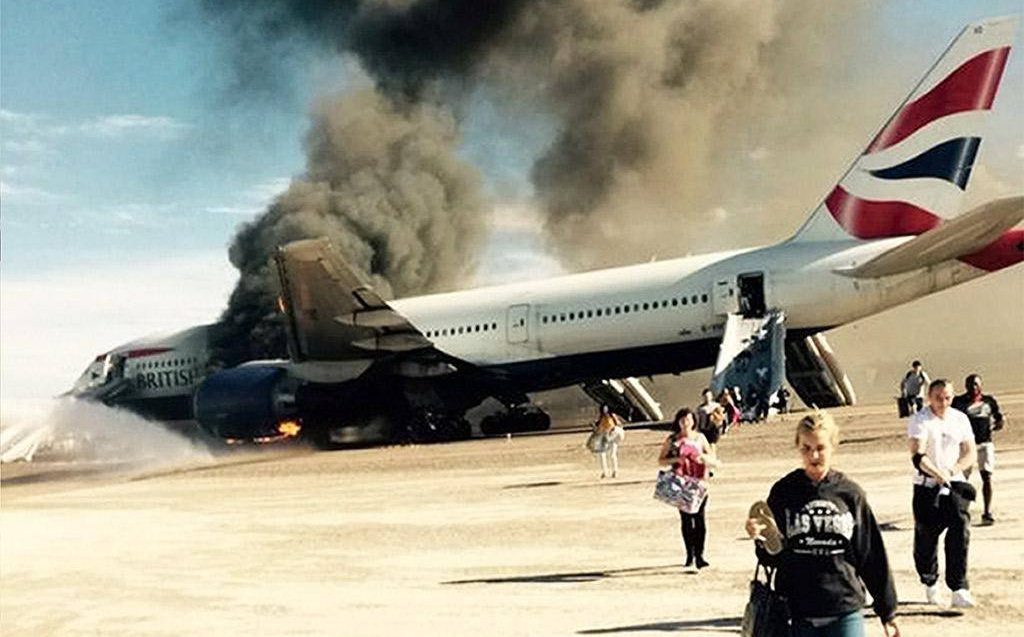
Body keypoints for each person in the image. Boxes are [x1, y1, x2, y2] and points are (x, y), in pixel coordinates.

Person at [745, 412, 900, 637]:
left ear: (833, 446)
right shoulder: (784, 492)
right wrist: (760, 539)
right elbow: (773, 556)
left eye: (820, 447)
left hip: (844, 606)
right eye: (806, 448)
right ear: (797, 447)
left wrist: (888, 612)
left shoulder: (850, 493)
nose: (814, 455)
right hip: (799, 610)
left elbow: (872, 555)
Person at [908, 379, 977, 608]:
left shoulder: (960, 419)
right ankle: (929, 582)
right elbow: (918, 455)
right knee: (926, 536)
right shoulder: (920, 420)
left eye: (947, 397)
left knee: (960, 528)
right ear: (929, 396)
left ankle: (959, 588)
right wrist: (936, 472)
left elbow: (969, 452)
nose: (943, 402)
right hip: (927, 485)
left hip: (954, 483)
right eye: (938, 397)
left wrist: (952, 470)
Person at [658, 407, 717, 569]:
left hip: (699, 483)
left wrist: (703, 459)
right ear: (678, 422)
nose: (685, 423)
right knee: (686, 521)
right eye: (683, 420)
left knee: (700, 520)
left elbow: (712, 457)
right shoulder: (672, 440)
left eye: (689, 420)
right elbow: (661, 460)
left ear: (694, 422)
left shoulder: (700, 438)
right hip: (681, 483)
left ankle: (700, 555)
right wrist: (678, 458)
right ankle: (689, 556)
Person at [951, 374, 1004, 525]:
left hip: (985, 443)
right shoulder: (958, 403)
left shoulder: (989, 401)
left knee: (986, 476)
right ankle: (960, 511)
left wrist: (999, 423)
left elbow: (998, 417)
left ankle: (987, 512)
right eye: (969, 384)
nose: (972, 387)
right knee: (962, 479)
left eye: (975, 384)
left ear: (980, 385)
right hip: (966, 446)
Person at [590, 403, 624, 479]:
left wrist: (614, 431)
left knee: (612, 454)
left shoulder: (612, 416)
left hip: (613, 436)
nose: (605, 410)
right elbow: (598, 429)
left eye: (606, 408)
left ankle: (615, 471)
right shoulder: (601, 419)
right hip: (606, 437)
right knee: (602, 454)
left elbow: (619, 425)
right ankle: (604, 472)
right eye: (604, 409)